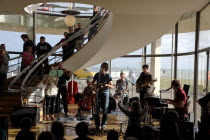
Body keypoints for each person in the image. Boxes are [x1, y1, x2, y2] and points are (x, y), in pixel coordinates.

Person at [92, 62, 113, 134]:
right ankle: (97, 125)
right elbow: (92, 84)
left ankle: (103, 125)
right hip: (98, 93)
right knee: (97, 110)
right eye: (102, 67)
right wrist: (96, 86)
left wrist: (106, 84)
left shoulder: (108, 76)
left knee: (105, 110)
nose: (102, 68)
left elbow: (112, 86)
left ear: (106, 69)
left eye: (104, 67)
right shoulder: (97, 75)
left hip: (105, 94)